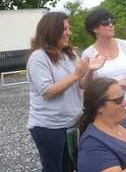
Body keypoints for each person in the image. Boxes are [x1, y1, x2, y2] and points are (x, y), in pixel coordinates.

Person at [27, 12, 89, 172]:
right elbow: (47, 92)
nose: (69, 32)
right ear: (51, 30)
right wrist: (76, 74)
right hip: (49, 127)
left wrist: (92, 70)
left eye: (69, 28)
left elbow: (82, 84)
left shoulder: (70, 54)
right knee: (54, 168)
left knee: (69, 167)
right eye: (65, 29)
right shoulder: (38, 58)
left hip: (72, 123)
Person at [81, 8, 126, 116]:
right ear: (94, 29)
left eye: (112, 21)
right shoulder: (88, 54)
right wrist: (90, 71)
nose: (111, 25)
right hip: (106, 112)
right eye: (105, 23)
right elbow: (84, 86)